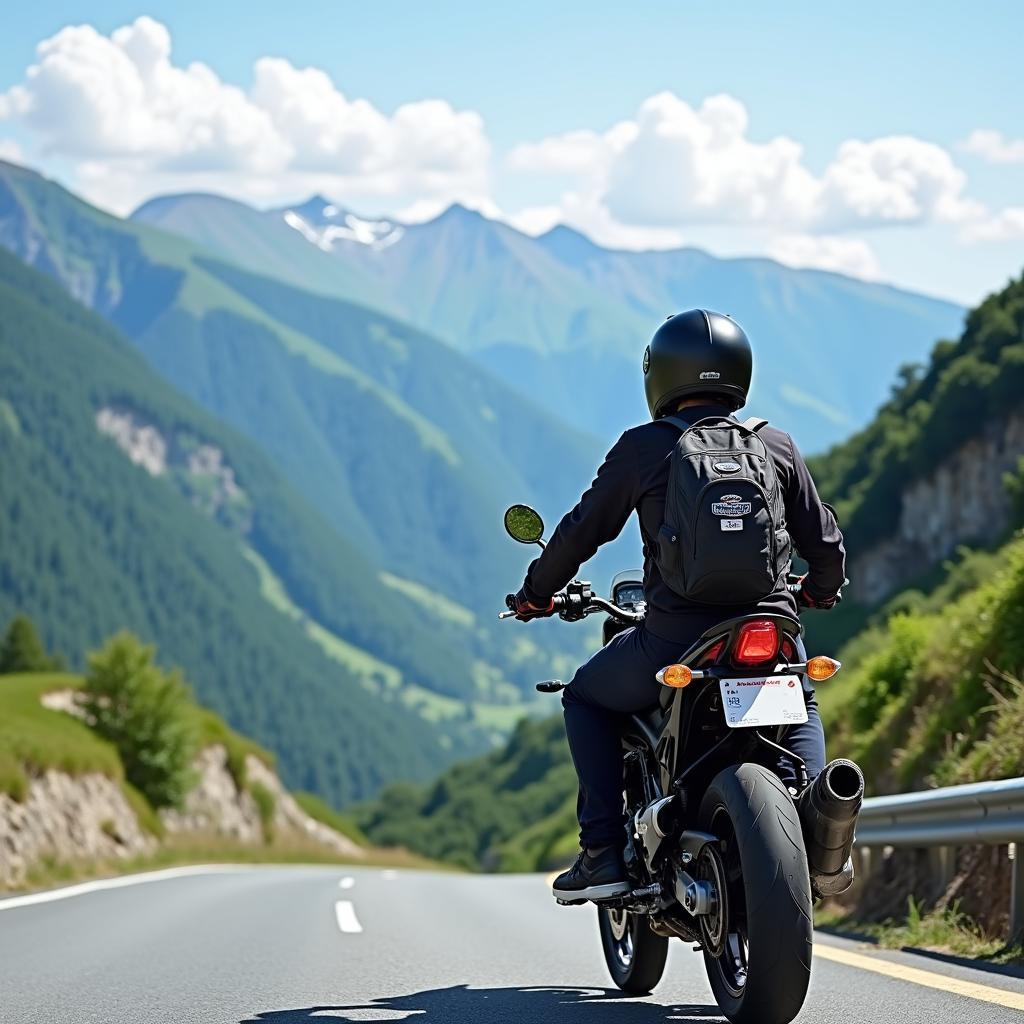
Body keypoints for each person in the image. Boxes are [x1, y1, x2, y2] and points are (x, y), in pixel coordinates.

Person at [508, 309, 846, 902]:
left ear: (660, 376)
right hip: (770, 629)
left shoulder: (645, 448)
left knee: (585, 697)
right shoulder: (775, 444)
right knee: (800, 699)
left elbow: (582, 531)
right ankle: (822, 833)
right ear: (739, 373)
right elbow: (826, 544)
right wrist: (816, 589)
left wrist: (537, 592)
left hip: (675, 640)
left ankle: (603, 853)